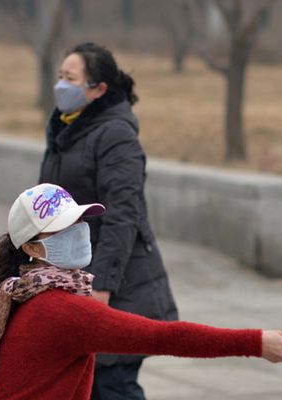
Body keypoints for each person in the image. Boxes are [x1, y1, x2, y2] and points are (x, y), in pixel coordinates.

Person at [0, 183, 282, 400]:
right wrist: (256, 342)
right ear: (32, 249)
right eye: (60, 229)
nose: (78, 231)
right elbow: (165, 337)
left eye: (77, 221)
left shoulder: (23, 291)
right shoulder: (61, 309)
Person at [38, 42, 178, 399]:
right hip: (77, 277)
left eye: (70, 79)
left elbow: (122, 214)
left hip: (120, 286)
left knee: (112, 385)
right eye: (60, 77)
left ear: (98, 89)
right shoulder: (65, 131)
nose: (61, 86)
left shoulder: (115, 135)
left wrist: (102, 287)